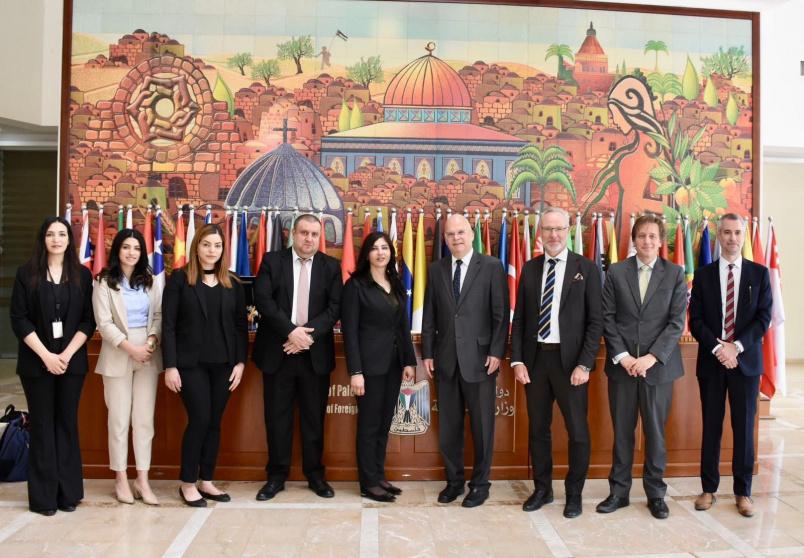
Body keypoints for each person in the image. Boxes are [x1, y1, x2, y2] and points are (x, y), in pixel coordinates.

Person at [511, 207, 603, 518]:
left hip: (571, 364)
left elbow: (596, 322)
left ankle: (574, 494)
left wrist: (585, 364)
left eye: (559, 229)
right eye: (548, 229)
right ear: (540, 233)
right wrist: (518, 360)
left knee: (577, 432)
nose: (553, 235)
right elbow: (520, 319)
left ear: (569, 230)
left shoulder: (586, 269)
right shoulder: (530, 268)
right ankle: (543, 489)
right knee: (538, 429)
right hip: (536, 361)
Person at [598, 213, 687, 519]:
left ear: (660, 241)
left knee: (655, 433)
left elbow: (676, 323)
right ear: (633, 240)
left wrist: (651, 358)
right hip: (622, 368)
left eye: (652, 236)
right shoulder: (616, 272)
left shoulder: (674, 274)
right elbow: (607, 317)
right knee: (622, 432)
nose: (647, 241)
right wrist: (623, 357)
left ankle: (656, 494)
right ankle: (619, 492)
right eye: (641, 236)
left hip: (658, 369)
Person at [421, 213, 509, 508]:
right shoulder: (436, 269)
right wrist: (428, 352)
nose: (456, 238)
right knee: (449, 427)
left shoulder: (492, 267)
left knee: (482, 428)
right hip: (445, 360)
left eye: (461, 232)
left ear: (471, 234)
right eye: (450, 234)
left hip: (481, 360)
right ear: (445, 239)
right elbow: (430, 314)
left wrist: (496, 351)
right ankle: (454, 482)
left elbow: (500, 315)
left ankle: (480, 485)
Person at [253, 214, 342, 501]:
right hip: (278, 351)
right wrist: (291, 332)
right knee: (276, 418)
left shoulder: (331, 267)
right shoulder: (272, 261)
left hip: (314, 355)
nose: (309, 239)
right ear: (293, 233)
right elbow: (263, 300)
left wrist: (306, 337)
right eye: (304, 233)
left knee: (313, 419)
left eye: (314, 234)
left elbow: (334, 307)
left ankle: (315, 476)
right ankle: (276, 477)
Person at [10, 216, 95, 516]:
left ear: (70, 240)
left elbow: (88, 321)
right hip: (36, 363)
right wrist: (46, 356)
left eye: (62, 234)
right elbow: (19, 319)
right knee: (43, 425)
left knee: (67, 424)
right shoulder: (26, 273)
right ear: (42, 239)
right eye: (50, 234)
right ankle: (44, 498)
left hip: (72, 363)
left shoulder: (82, 275)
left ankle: (68, 493)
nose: (56, 239)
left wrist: (66, 355)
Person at [689, 214, 772, 517]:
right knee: (711, 426)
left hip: (745, 362)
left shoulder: (759, 274)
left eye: (737, 232)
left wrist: (735, 347)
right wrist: (718, 348)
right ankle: (708, 489)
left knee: (744, 429)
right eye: (726, 232)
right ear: (719, 235)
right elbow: (696, 320)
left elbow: (763, 318)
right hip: (712, 363)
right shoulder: (703, 275)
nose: (732, 238)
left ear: (743, 235)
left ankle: (743, 492)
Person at [162, 223, 247, 507]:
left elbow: (240, 326)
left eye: (217, 246)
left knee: (214, 422)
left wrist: (240, 363)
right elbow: (169, 325)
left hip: (224, 365)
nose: (212, 250)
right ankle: (187, 482)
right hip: (190, 365)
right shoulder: (179, 279)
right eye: (207, 244)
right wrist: (170, 366)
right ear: (196, 247)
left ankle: (206, 480)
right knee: (199, 419)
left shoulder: (232, 282)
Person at [342, 232, 416, 502]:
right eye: (375, 248)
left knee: (384, 424)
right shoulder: (355, 286)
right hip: (368, 368)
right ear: (367, 254)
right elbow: (350, 333)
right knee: (369, 426)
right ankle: (368, 483)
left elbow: (402, 327)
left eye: (385, 248)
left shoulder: (395, 283)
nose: (380, 253)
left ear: (391, 253)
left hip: (393, 366)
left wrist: (409, 360)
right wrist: (356, 372)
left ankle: (378, 475)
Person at [93, 228, 162, 505]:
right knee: (119, 420)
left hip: (148, 353)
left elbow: (158, 315)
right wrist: (131, 348)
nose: (131, 253)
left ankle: (142, 479)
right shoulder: (103, 281)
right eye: (126, 247)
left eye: (136, 248)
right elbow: (103, 323)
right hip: (118, 352)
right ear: (117, 250)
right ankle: (120, 477)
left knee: (144, 420)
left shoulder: (151, 280)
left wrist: (151, 341)